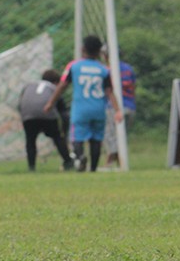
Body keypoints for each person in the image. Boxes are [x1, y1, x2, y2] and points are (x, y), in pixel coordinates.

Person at [44, 35, 122, 173]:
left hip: (81, 109)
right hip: (99, 108)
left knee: (77, 137)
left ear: (83, 49)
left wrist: (51, 102)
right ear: (99, 51)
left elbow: (62, 85)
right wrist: (117, 110)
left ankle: (80, 158)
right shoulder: (103, 69)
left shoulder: (74, 66)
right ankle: (93, 169)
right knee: (96, 139)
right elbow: (110, 91)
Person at [18, 69, 74, 172]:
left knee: (30, 140)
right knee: (57, 137)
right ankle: (68, 161)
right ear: (56, 82)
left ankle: (31, 167)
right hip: (46, 113)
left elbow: (20, 102)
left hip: (27, 114)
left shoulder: (29, 85)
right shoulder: (54, 88)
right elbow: (63, 112)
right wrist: (64, 131)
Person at [102, 47, 135, 168]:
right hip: (130, 106)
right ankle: (119, 163)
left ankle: (110, 162)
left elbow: (108, 91)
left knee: (110, 136)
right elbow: (133, 87)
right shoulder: (128, 68)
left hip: (113, 107)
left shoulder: (106, 70)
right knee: (121, 137)